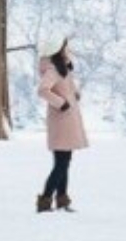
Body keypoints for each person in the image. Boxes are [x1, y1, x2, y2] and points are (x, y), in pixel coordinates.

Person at [35, 35, 88, 212]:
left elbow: (66, 86)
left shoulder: (62, 67)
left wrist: (75, 94)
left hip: (67, 119)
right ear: (58, 49)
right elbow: (43, 90)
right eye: (65, 46)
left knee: (64, 161)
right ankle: (46, 199)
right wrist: (62, 103)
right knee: (61, 163)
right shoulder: (53, 69)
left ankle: (62, 200)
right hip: (62, 119)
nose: (68, 49)